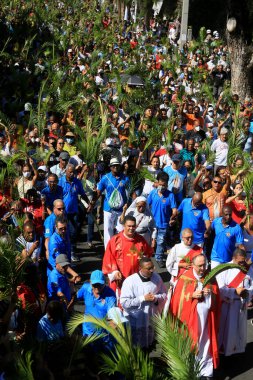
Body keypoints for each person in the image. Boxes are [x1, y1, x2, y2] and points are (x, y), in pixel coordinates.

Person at [170, 254, 220, 379]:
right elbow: (176, 300)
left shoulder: (211, 278)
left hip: (206, 319)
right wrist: (191, 295)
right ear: (192, 265)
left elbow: (217, 299)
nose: (203, 268)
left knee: (205, 343)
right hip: (189, 320)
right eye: (200, 266)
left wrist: (210, 294)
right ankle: (188, 370)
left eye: (205, 265)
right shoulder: (184, 278)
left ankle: (206, 372)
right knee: (190, 343)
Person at [120, 257, 167, 349]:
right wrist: (142, 298)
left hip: (151, 319)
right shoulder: (130, 281)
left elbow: (164, 295)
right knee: (136, 348)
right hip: (136, 321)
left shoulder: (157, 278)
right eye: (148, 268)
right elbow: (124, 303)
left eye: (152, 267)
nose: (152, 270)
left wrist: (155, 298)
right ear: (140, 268)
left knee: (149, 346)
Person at [216, 248, 253, 357]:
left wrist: (248, 293)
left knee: (239, 328)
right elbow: (220, 288)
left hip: (242, 304)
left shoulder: (248, 269)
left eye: (243, 261)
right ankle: (224, 351)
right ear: (233, 258)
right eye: (239, 262)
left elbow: (252, 285)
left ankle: (238, 349)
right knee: (228, 329)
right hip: (229, 304)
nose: (242, 264)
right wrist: (234, 292)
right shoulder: (224, 268)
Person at [102, 215, 153, 292]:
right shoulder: (115, 240)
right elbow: (109, 259)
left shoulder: (141, 240)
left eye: (133, 226)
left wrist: (143, 260)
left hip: (137, 278)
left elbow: (147, 255)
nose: (131, 228)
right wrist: (115, 271)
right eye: (129, 226)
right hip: (120, 277)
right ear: (124, 225)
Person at [94, 157, 130, 248]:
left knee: (121, 230)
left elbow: (130, 191)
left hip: (121, 210)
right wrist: (92, 203)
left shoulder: (125, 178)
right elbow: (99, 192)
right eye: (113, 165)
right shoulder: (105, 178)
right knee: (108, 231)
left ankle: (120, 249)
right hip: (108, 209)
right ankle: (108, 251)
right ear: (110, 167)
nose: (115, 167)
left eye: (117, 165)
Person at [59, 164, 91, 261]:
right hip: (62, 213)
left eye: (73, 172)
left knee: (73, 232)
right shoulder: (61, 182)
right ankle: (62, 252)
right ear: (66, 172)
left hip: (74, 212)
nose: (72, 174)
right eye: (70, 172)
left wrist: (89, 203)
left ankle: (72, 251)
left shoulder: (77, 182)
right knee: (62, 232)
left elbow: (82, 194)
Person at [147, 172, 177, 267]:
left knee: (161, 241)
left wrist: (173, 217)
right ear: (157, 183)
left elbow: (174, 210)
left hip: (164, 223)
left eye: (164, 185)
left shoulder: (170, 195)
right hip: (152, 223)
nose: (162, 187)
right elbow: (147, 206)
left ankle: (159, 258)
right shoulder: (152, 193)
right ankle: (147, 256)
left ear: (167, 184)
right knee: (149, 240)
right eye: (160, 184)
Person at [77, 270, 116, 340]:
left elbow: (112, 315)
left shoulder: (110, 295)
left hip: (103, 335)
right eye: (95, 285)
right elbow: (76, 297)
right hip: (87, 333)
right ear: (90, 282)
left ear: (104, 283)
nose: (97, 287)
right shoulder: (85, 288)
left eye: (99, 284)